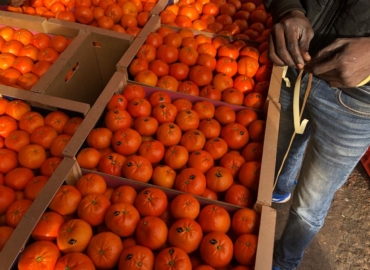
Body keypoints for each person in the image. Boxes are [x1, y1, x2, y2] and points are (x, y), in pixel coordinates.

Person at [262, 0, 370, 269]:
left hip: (360, 95)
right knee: (280, 149)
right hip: (292, 59)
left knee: (311, 202)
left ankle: (285, 260)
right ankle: (280, 188)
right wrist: (289, 8)